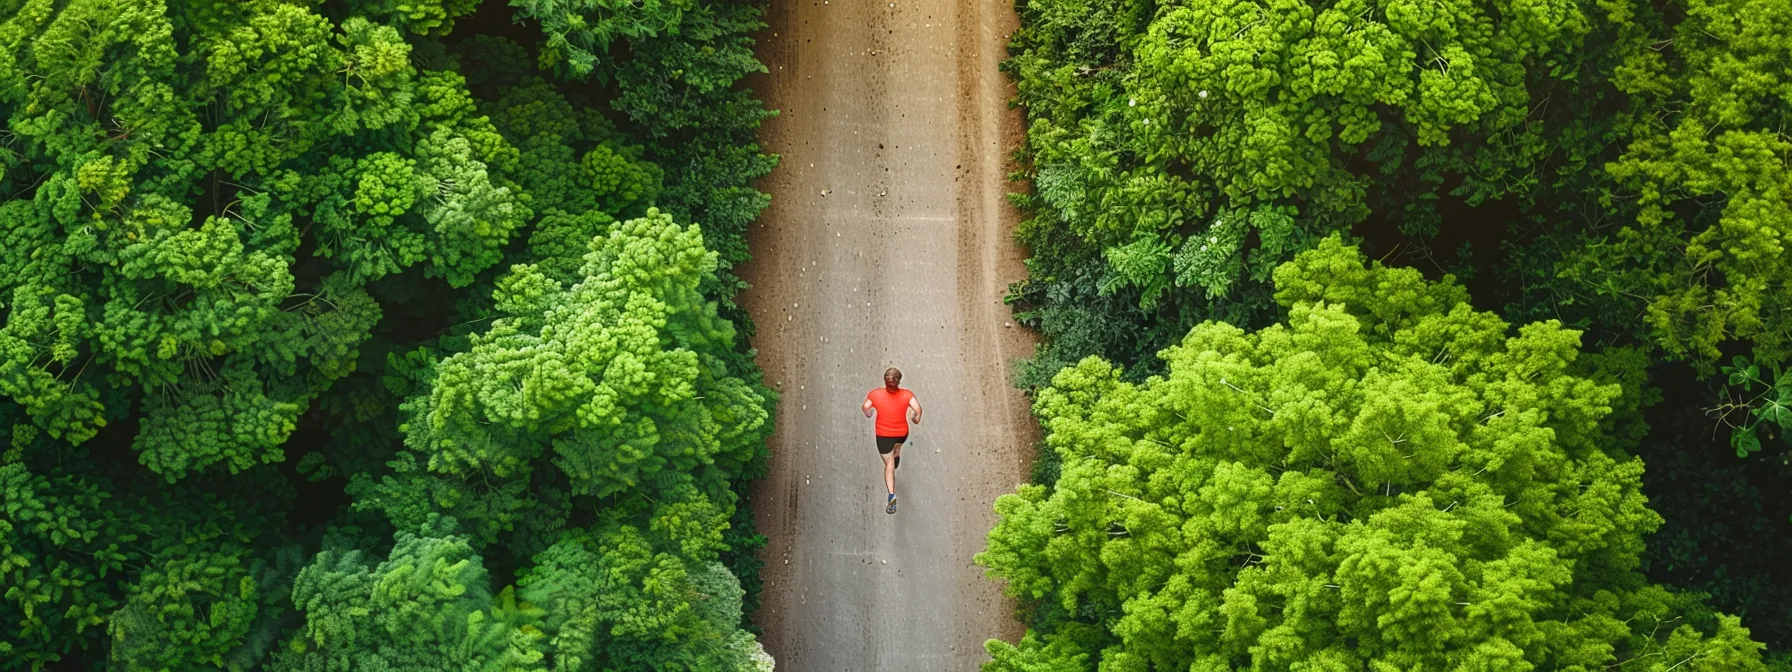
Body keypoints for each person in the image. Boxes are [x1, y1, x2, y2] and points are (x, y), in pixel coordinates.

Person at [862, 367, 921, 514]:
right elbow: (918, 409)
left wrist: (869, 413)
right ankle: (897, 453)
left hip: (883, 435)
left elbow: (865, 407)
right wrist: (915, 418)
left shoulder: (875, 394)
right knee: (897, 445)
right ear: (899, 381)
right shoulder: (907, 395)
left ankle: (891, 496)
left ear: (885, 380)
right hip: (901, 433)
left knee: (889, 464)